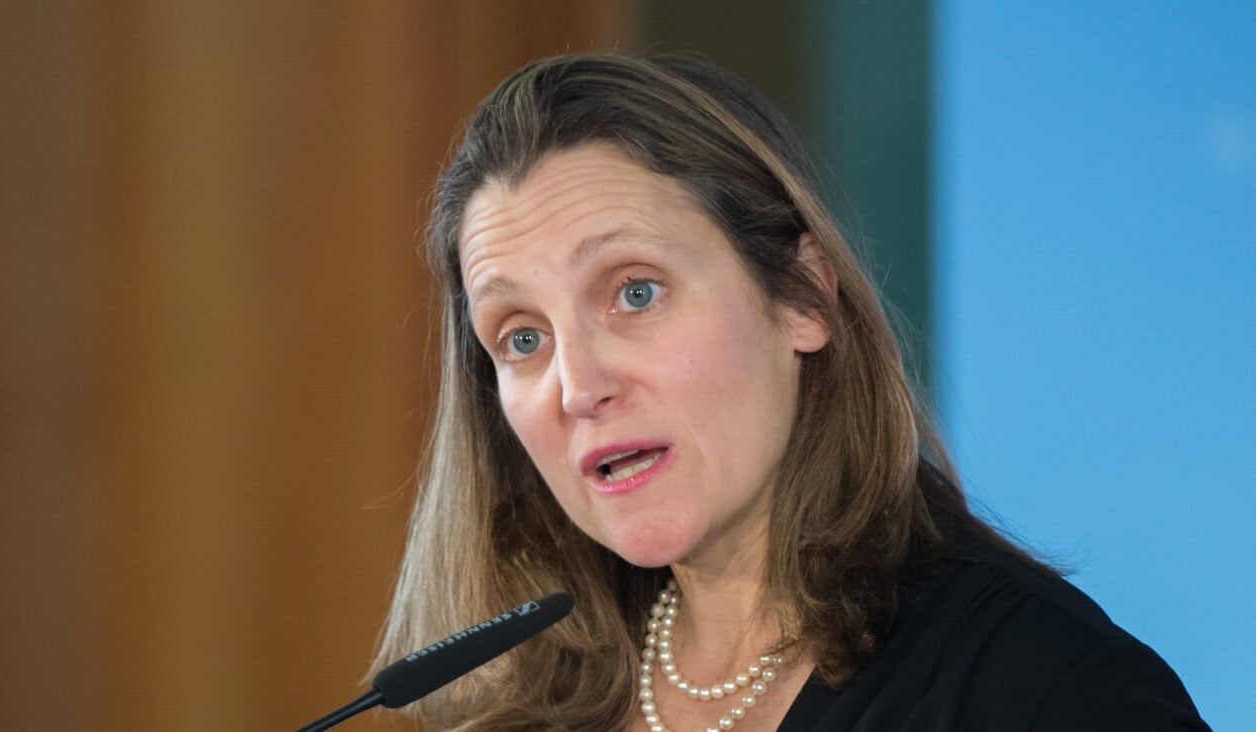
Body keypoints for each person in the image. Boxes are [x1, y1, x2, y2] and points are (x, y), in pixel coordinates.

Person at [372, 52, 1210, 731]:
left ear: (802, 297)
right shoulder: (521, 711)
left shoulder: (1048, 692)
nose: (578, 386)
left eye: (635, 292)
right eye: (523, 338)